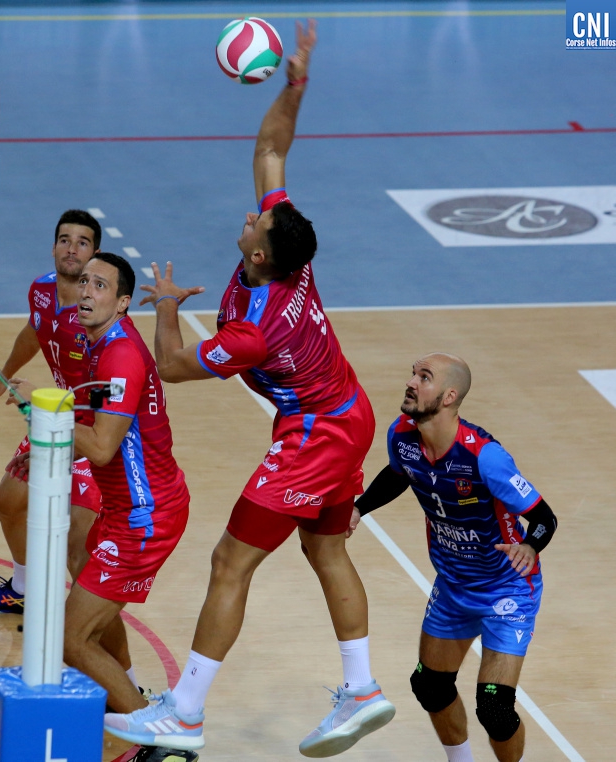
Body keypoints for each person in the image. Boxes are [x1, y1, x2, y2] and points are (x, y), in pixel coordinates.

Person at [103, 21, 395, 757]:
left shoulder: (255, 331)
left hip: (315, 436)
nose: (249, 214)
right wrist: (295, 82)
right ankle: (361, 688)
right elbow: (270, 148)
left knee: (229, 561)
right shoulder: (291, 256)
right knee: (326, 553)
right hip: (347, 414)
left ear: (259, 255)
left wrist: (165, 309)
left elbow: (172, 369)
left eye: (255, 221)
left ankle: (185, 713)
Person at [348, 353, 557, 762]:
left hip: (506, 589)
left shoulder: (485, 458)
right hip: (453, 587)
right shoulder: (402, 435)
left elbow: (544, 518)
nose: (411, 382)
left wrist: (530, 546)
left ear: (448, 397)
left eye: (424, 377)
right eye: (413, 373)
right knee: (430, 687)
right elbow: (398, 473)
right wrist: (360, 508)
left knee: (494, 709)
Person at [61, 252, 192, 715]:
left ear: (122, 303)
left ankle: (151, 731)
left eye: (100, 285)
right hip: (125, 508)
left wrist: (48, 412)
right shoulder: (103, 343)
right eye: (84, 281)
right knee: (86, 613)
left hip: (145, 517)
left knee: (71, 640)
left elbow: (100, 448)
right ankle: (130, 699)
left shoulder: (119, 356)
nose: (86, 291)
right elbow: (98, 428)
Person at [0, 209, 104, 615]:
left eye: (82, 243)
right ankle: (24, 589)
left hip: (96, 431)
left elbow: (111, 395)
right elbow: (36, 330)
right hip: (58, 417)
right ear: (53, 247)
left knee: (77, 546)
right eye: (65, 240)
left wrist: (42, 398)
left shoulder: (95, 316)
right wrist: (4, 376)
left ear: (94, 255)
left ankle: (88, 627)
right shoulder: (41, 290)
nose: (71, 249)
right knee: (7, 501)